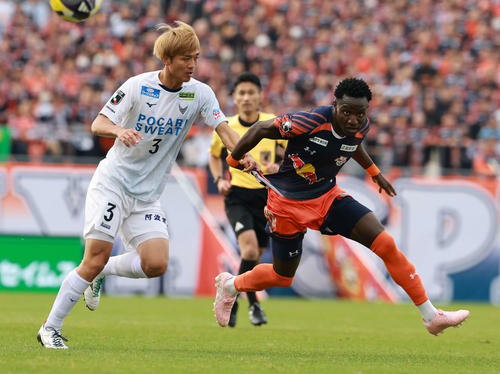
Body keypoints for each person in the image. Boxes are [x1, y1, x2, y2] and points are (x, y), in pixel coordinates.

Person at [37, 21, 256, 349]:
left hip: (147, 195)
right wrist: (119, 131)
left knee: (155, 264)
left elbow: (224, 129)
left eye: (196, 57)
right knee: (93, 257)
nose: (193, 65)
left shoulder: (199, 93)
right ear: (167, 60)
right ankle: (50, 329)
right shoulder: (138, 86)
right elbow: (98, 122)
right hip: (113, 184)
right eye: (185, 58)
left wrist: (242, 153)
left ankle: (101, 272)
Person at [213, 77, 470, 335]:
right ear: (335, 105)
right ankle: (231, 286)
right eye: (347, 112)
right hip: (286, 203)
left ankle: (431, 316)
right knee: (282, 276)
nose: (353, 120)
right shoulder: (309, 121)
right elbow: (260, 128)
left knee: (386, 245)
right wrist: (234, 159)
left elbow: (352, 144)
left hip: (327, 198)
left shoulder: (361, 126)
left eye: (360, 114)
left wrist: (374, 172)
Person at [208, 71, 286, 327]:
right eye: (241, 93)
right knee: (250, 250)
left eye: (251, 92)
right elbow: (214, 156)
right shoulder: (226, 127)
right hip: (238, 196)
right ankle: (250, 303)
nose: (246, 97)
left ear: (260, 95)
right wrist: (219, 179)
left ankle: (239, 298)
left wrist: (279, 168)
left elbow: (292, 155)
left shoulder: (272, 124)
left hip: (266, 197)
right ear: (235, 97)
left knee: (255, 257)